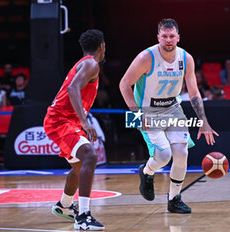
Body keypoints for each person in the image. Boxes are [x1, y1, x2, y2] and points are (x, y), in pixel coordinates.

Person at [119, 18, 218, 214]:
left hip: (173, 109)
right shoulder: (145, 58)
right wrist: (136, 114)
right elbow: (124, 84)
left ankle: (174, 199)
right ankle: (146, 172)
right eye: (164, 36)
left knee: (182, 154)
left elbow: (194, 92)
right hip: (147, 111)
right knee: (164, 156)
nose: (168, 40)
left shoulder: (186, 58)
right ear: (158, 37)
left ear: (178, 37)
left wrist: (204, 121)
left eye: (172, 36)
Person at [43, 29, 106, 231]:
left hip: (60, 121)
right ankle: (84, 217)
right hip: (61, 121)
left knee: (79, 167)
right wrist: (85, 122)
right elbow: (72, 89)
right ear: (102, 47)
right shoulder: (91, 64)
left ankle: (64, 206)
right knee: (90, 156)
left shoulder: (84, 64)